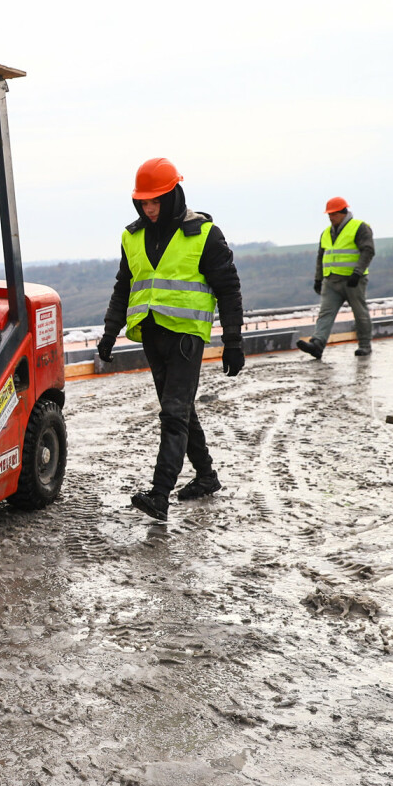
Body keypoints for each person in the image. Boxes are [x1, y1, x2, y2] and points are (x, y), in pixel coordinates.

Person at [97, 158, 245, 521]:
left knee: (173, 413)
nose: (149, 209)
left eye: (156, 201)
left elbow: (229, 289)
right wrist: (109, 332)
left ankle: (159, 494)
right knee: (179, 408)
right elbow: (125, 286)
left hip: (185, 337)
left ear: (174, 195)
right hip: (151, 334)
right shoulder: (131, 236)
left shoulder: (205, 234)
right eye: (143, 202)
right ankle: (206, 477)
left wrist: (234, 341)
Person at [297, 197, 375, 358]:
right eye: (329, 215)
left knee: (360, 313)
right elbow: (321, 257)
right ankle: (317, 344)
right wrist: (318, 279)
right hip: (331, 281)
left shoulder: (359, 228)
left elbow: (368, 251)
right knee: (325, 313)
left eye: (333, 214)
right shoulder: (326, 232)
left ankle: (365, 345)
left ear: (343, 212)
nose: (330, 217)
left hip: (353, 281)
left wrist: (357, 273)